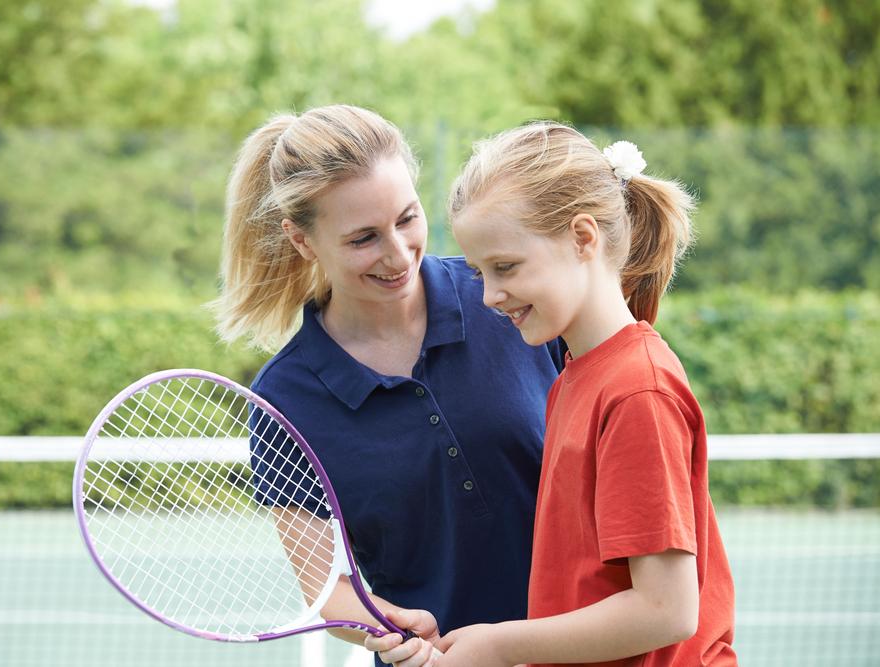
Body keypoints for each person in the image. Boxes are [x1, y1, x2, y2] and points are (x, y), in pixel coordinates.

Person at [213, 105, 566, 666]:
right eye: (363, 238)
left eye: (407, 218)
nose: (398, 254)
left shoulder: (507, 301)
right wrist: (382, 625)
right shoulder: (285, 401)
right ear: (302, 240)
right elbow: (329, 591)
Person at [430, 122, 736, 666]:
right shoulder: (574, 375)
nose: (490, 296)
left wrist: (501, 645)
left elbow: (668, 610)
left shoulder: (637, 390)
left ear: (583, 238)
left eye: (505, 267)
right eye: (479, 272)